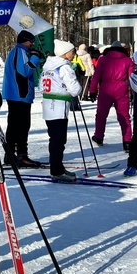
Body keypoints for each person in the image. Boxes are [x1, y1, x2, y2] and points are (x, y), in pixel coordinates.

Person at [41, 40, 83, 183]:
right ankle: (57, 171)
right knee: (58, 140)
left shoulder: (48, 65)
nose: (74, 53)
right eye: (72, 51)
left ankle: (58, 167)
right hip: (58, 106)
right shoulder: (64, 67)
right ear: (65, 53)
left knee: (55, 138)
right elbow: (75, 89)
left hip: (48, 105)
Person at [2, 30, 43, 168]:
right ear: (25, 40)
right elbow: (24, 71)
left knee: (14, 125)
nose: (33, 44)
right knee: (22, 126)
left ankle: (11, 155)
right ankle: (21, 156)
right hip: (20, 94)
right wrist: (35, 58)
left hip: (15, 94)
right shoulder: (20, 51)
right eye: (31, 41)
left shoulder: (17, 51)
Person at [88, 41, 134, 151]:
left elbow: (97, 75)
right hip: (121, 88)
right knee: (124, 116)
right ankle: (127, 141)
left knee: (101, 115)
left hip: (106, 88)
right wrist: (133, 93)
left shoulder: (103, 59)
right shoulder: (127, 60)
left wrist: (92, 90)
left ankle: (98, 136)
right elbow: (132, 78)